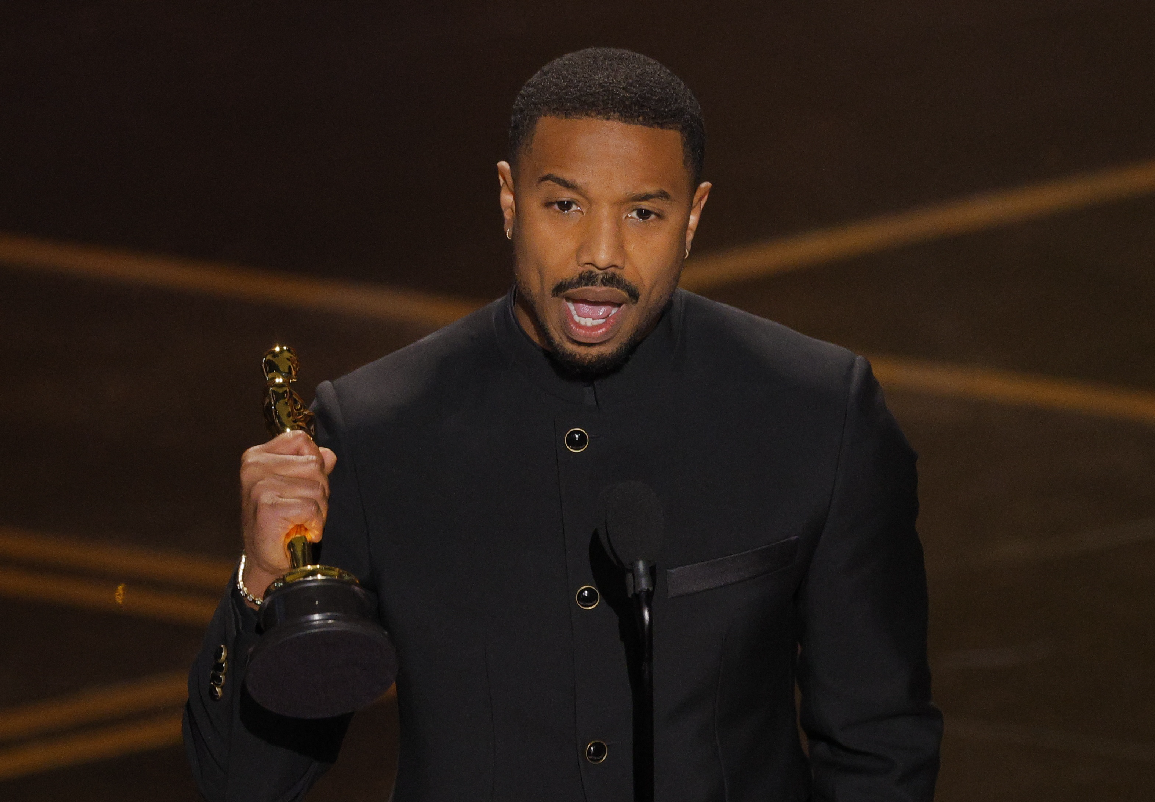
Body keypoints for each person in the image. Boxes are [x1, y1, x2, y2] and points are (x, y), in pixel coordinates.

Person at [184, 47, 942, 801]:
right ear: (509, 199)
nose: (600, 256)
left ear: (693, 216)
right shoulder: (376, 430)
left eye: (643, 213)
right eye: (565, 206)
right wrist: (263, 583)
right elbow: (241, 785)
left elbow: (880, 747)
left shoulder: (816, 411)